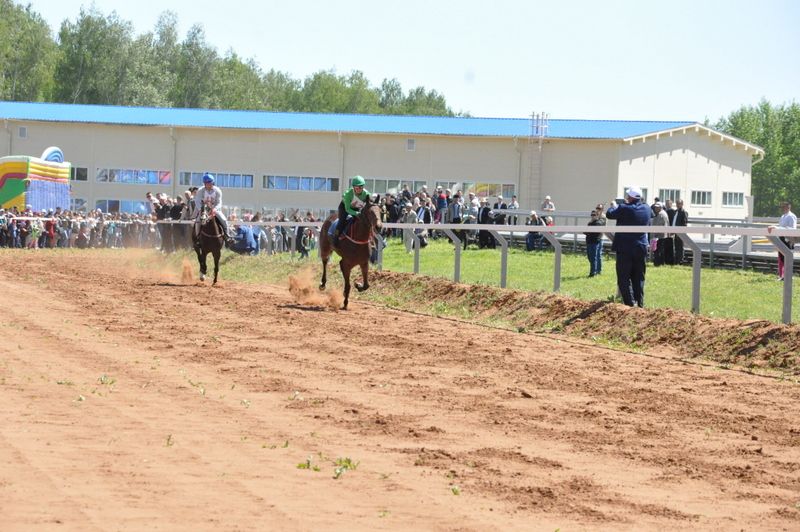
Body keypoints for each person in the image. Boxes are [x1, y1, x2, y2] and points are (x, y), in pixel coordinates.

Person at [606, 186, 650, 307]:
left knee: (623, 278)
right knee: (639, 277)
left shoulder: (623, 208)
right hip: (640, 247)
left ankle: (630, 304)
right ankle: (640, 304)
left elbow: (610, 214)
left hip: (625, 248)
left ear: (630, 197)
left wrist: (613, 206)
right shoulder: (646, 208)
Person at [194, 173, 234, 246]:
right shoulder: (200, 190)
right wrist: (201, 209)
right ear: (204, 183)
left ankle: (227, 237)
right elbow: (197, 201)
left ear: (213, 182)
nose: (208, 185)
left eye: (210, 183)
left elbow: (219, 202)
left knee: (224, 220)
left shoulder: (217, 190)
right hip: (204, 209)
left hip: (215, 209)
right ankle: (197, 238)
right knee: (198, 221)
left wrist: (215, 209)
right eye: (206, 183)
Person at [768, 201, 797, 280]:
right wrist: (775, 228)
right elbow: (780, 227)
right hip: (781, 238)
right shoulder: (783, 216)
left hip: (788, 239)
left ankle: (788, 276)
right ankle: (782, 275)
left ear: (788, 207)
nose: (782, 208)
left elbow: (793, 229)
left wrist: (776, 228)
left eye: (784, 207)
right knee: (781, 257)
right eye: (782, 207)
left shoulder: (791, 216)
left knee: (787, 257)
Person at [334, 175, 371, 240]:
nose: (359, 190)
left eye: (361, 187)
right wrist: (357, 213)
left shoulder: (367, 194)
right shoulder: (348, 194)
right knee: (342, 221)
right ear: (353, 187)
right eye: (357, 188)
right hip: (344, 207)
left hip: (356, 207)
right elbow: (347, 209)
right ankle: (336, 236)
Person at [585, 209, 606, 276]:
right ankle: (595, 270)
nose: (592, 216)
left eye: (594, 215)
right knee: (590, 257)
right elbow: (586, 231)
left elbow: (591, 231)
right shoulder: (590, 223)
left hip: (595, 242)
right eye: (591, 215)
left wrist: (587, 231)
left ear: (597, 215)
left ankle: (593, 273)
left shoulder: (598, 223)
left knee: (594, 257)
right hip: (588, 241)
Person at [650, 202, 669, 266]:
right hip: (662, 235)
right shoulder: (663, 213)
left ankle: (657, 263)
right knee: (660, 250)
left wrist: (655, 234)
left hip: (659, 235)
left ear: (661, 207)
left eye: (657, 207)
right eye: (655, 207)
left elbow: (658, 226)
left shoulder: (660, 214)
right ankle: (661, 263)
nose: (656, 208)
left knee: (657, 251)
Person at [671, 198, 689, 264]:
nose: (678, 205)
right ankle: (676, 260)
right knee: (676, 246)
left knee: (680, 247)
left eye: (679, 204)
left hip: (681, 233)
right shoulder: (675, 212)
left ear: (682, 204)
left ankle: (680, 261)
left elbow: (684, 223)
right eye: (677, 204)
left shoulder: (684, 212)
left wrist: (681, 233)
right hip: (675, 232)